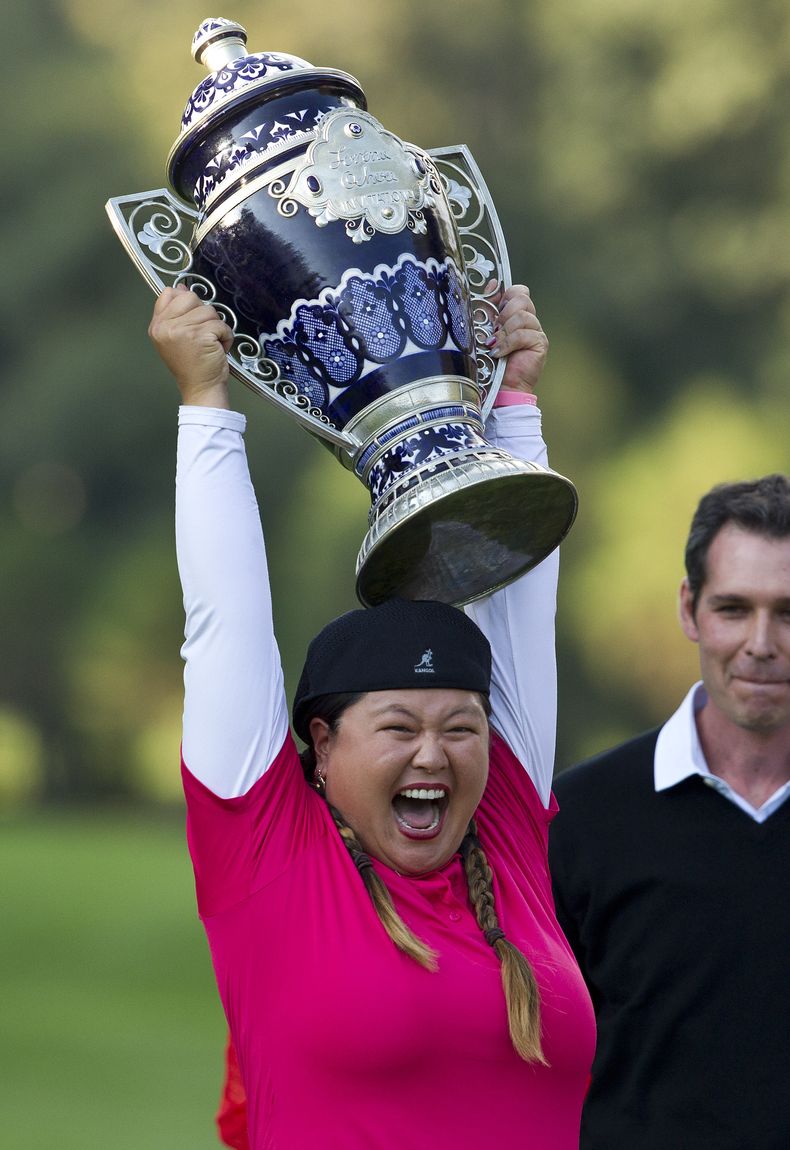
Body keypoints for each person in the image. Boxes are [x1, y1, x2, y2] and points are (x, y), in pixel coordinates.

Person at [149, 281, 595, 1150]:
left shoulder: (503, 826)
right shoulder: (268, 849)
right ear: (321, 745)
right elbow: (225, 624)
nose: (436, 752)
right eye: (398, 728)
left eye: (460, 729)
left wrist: (511, 399)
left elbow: (518, 597)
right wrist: (205, 403)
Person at [549, 473, 790, 1150]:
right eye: (734, 608)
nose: (763, 643)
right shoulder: (579, 820)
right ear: (690, 609)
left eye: (789, 612)